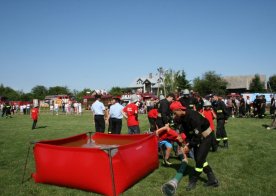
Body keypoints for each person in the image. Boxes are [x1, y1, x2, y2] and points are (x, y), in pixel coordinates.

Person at [170, 101, 219, 191]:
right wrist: (185, 140)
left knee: (199, 159)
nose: (174, 115)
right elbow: (188, 132)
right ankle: (212, 180)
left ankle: (193, 180)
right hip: (198, 137)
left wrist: (189, 146)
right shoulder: (183, 117)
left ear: (179, 109)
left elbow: (197, 136)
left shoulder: (193, 117)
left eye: (174, 113)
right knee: (198, 159)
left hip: (206, 137)